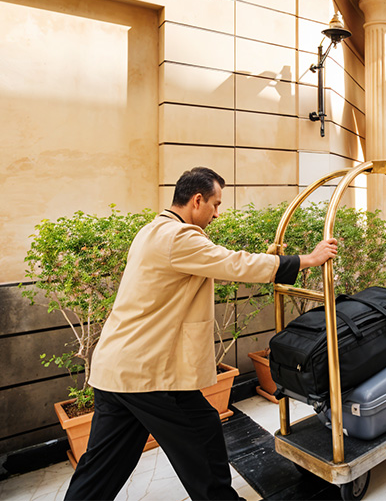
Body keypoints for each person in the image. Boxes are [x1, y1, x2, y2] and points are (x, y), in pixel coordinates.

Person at [64, 167, 338, 501]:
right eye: (215, 204)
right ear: (197, 200)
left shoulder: (154, 230)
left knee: (102, 467)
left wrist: (269, 259)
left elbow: (216, 264)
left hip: (118, 369)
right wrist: (308, 259)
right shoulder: (179, 237)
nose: (217, 214)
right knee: (201, 439)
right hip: (147, 373)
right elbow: (233, 263)